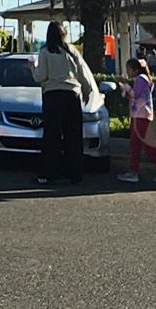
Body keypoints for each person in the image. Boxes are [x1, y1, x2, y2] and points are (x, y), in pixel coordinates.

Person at [34, 21, 99, 186]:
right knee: (73, 135)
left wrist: (32, 68)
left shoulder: (45, 51)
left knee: (52, 136)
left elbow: (41, 76)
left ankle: (49, 173)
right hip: (72, 95)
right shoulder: (71, 50)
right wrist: (86, 91)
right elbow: (82, 71)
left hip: (53, 95)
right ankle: (75, 173)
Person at [116, 58, 156, 185]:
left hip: (141, 115)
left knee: (144, 145)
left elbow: (135, 94)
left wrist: (125, 86)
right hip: (140, 115)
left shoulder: (141, 79)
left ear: (135, 69)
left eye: (128, 69)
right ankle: (134, 171)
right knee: (137, 144)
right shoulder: (145, 79)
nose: (127, 71)